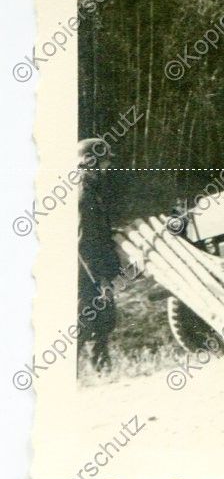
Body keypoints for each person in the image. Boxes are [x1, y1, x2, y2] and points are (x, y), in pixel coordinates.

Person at [78, 138, 121, 372]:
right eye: (103, 162)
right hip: (86, 273)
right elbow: (83, 242)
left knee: (103, 320)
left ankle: (103, 372)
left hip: (92, 271)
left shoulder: (91, 190)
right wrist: (100, 280)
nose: (106, 167)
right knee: (84, 323)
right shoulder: (83, 194)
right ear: (90, 162)